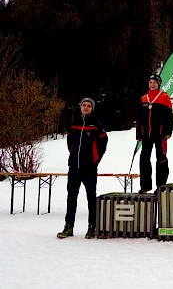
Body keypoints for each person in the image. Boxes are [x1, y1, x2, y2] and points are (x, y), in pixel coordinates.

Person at [57, 98, 108, 239]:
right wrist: (73, 155)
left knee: (91, 198)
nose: (86, 107)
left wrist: (94, 160)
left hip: (89, 168)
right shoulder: (74, 124)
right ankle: (68, 227)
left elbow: (103, 144)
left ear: (92, 108)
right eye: (84, 105)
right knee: (71, 197)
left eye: (88, 106)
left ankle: (92, 227)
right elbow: (70, 143)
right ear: (80, 107)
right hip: (74, 167)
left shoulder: (97, 124)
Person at [136, 74, 173, 194]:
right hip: (146, 134)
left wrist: (168, 131)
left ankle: (161, 185)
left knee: (161, 159)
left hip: (160, 134)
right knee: (144, 159)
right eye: (150, 82)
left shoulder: (164, 97)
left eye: (154, 83)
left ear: (158, 84)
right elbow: (139, 118)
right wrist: (138, 133)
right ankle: (145, 186)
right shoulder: (143, 98)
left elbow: (169, 116)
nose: (152, 84)